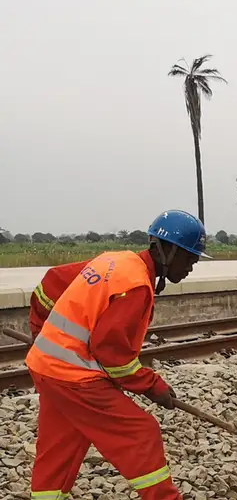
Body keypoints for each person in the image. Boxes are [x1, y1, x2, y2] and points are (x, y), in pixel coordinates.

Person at [26, 210, 209, 500]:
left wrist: (41, 338)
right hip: (74, 376)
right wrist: (153, 386)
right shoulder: (135, 285)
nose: (191, 267)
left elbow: (51, 283)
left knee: (60, 445)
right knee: (141, 432)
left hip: (47, 368)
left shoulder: (114, 261)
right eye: (189, 258)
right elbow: (113, 355)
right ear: (165, 250)